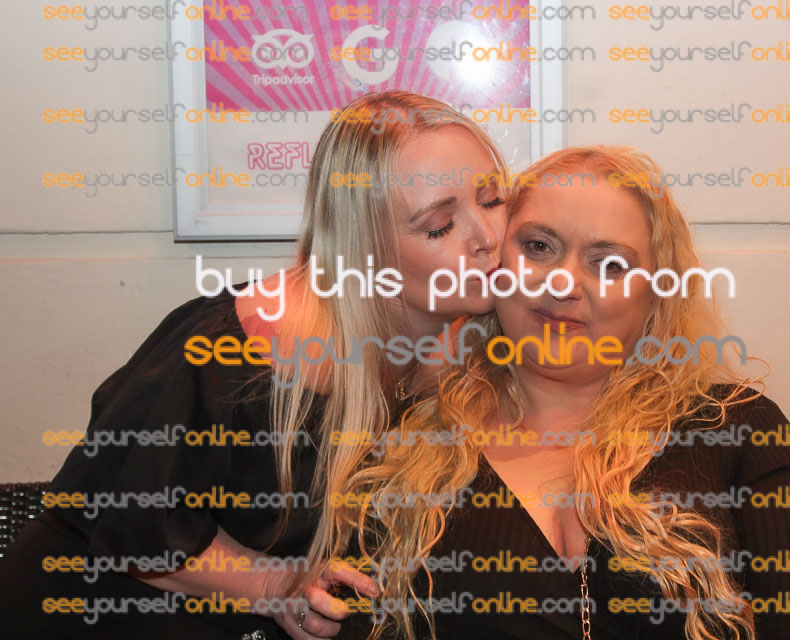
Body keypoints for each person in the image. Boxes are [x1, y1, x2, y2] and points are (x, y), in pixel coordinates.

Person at [0, 91, 509, 640]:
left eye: (492, 199)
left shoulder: (477, 327)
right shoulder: (237, 353)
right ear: (363, 247)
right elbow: (126, 519)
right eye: (439, 226)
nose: (488, 238)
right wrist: (272, 586)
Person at [333, 146, 790, 640]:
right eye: (539, 247)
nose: (563, 283)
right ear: (496, 265)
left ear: (657, 295)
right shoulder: (407, 444)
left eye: (609, 264)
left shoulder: (737, 432)